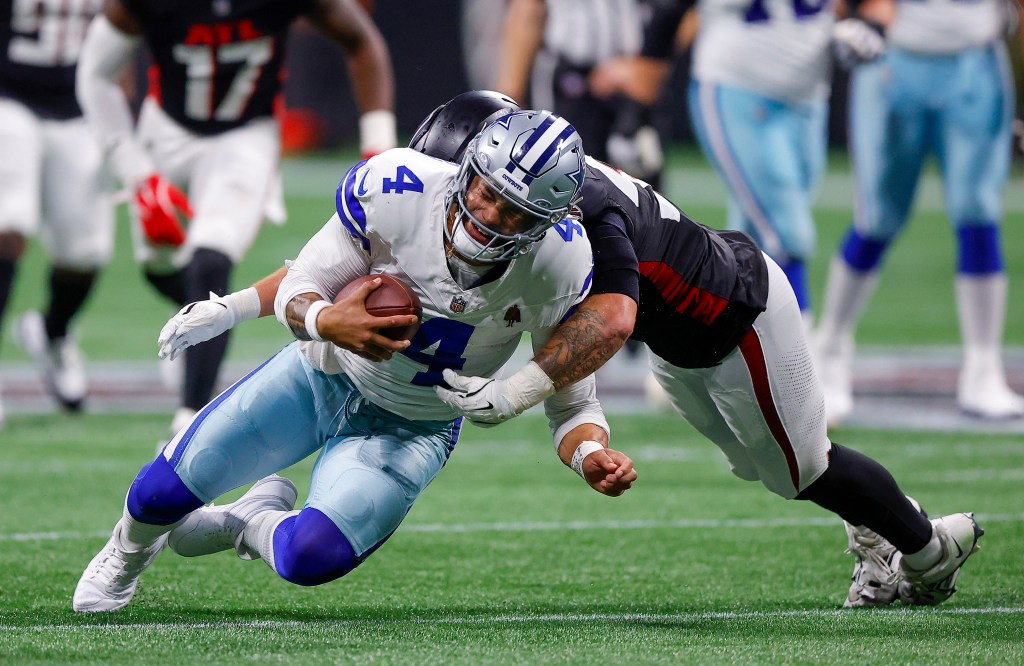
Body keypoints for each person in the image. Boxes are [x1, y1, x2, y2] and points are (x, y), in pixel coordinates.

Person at [159, 91, 983, 609]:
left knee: (796, 469)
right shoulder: (484, 197)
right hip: (679, 346)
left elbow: (614, 319)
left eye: (485, 193)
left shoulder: (577, 216)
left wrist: (512, 394)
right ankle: (882, 532)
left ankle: (923, 545)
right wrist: (234, 307)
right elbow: (348, 259)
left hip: (737, 317)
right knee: (765, 470)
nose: (469, 207)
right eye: (467, 185)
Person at [72, 109, 637, 613]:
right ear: (466, 169)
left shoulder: (560, 263)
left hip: (413, 426)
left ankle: (248, 522)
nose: (488, 217)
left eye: (515, 213)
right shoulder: (400, 189)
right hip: (322, 375)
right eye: (486, 192)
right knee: (157, 496)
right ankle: (125, 554)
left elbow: (571, 397)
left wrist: (589, 452)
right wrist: (322, 320)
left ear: (545, 222)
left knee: (310, 558)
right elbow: (303, 283)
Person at [74, 0, 398, 442]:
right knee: (161, 267)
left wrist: (376, 149)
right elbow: (95, 74)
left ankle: (189, 417)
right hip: (163, 131)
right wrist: (136, 173)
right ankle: (189, 320)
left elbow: (362, 42)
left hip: (245, 135)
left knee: (211, 258)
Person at [609, 0, 886, 324]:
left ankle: (708, 344)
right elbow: (669, 14)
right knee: (789, 233)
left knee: (752, 235)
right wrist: (637, 108)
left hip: (809, 99)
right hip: (737, 89)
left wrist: (865, 27)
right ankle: (802, 358)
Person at [815, 0, 1023, 424]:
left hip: (976, 64)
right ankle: (831, 350)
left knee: (979, 213)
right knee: (877, 218)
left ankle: (983, 368)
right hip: (894, 62)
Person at [0, 0, 113, 423]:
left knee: (84, 253)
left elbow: (124, 33)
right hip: (8, 96)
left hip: (77, 106)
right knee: (9, 222)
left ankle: (51, 333)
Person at [497, 0, 666, 189]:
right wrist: (510, 95)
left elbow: (683, 10)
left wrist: (649, 67)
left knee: (643, 189)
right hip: (569, 78)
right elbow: (528, 9)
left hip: (638, 80)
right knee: (562, 181)